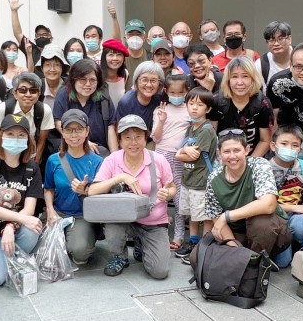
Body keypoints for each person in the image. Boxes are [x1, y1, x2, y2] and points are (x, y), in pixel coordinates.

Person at [88, 115, 176, 279]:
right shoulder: (113, 159)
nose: (133, 142)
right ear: (120, 140)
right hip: (122, 219)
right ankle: (119, 256)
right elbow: (92, 190)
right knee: (113, 228)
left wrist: (167, 194)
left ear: (145, 138)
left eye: (138, 137)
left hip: (153, 222)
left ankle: (141, 245)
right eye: (127, 137)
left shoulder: (158, 160)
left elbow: (172, 188)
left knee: (159, 272)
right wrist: (119, 178)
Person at [0, 115, 44, 286]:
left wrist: (10, 226)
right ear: (0, 135)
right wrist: (16, 221)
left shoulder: (32, 168)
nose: (15, 139)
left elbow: (29, 208)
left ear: (28, 139)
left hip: (16, 231)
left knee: (33, 228)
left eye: (21, 135)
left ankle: (10, 257)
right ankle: (7, 259)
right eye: (10, 134)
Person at [203, 129, 292, 261]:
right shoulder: (213, 178)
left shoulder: (259, 165)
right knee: (200, 256)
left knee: (262, 225)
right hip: (238, 231)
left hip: (270, 229)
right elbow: (215, 216)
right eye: (226, 151)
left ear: (246, 150)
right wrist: (233, 247)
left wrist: (226, 216)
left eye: (237, 150)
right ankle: (245, 259)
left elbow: (268, 204)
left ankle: (256, 264)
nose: (232, 156)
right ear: (219, 153)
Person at [43, 110, 105, 265]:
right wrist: (50, 209)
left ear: (87, 131)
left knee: (80, 252)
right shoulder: (53, 160)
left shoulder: (97, 161)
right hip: (59, 213)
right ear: (62, 132)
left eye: (79, 129)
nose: (74, 135)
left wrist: (86, 190)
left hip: (82, 216)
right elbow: (49, 188)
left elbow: (102, 194)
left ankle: (83, 236)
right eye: (69, 130)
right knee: (40, 247)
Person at [174, 87, 218, 261]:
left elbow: (192, 155)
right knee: (192, 213)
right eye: (191, 103)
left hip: (201, 180)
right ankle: (193, 242)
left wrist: (180, 154)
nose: (194, 107)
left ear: (208, 109)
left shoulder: (206, 130)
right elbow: (184, 150)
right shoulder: (191, 127)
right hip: (188, 178)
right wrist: (184, 151)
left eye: (200, 105)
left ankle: (204, 246)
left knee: (204, 215)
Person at [152, 71, 190, 250]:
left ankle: (179, 234)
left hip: (180, 157)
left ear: (187, 91)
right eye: (172, 92)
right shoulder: (160, 110)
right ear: (166, 91)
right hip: (161, 155)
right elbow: (156, 138)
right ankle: (158, 231)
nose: (176, 96)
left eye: (180, 92)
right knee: (159, 193)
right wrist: (161, 121)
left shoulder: (190, 109)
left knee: (178, 196)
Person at [268, 125, 303, 263]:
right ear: (273, 146)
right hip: (274, 217)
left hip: (298, 215)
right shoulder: (265, 168)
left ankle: (298, 243)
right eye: (284, 143)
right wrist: (294, 207)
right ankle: (284, 243)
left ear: (300, 148)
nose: (289, 148)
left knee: (302, 227)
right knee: (283, 262)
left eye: (295, 145)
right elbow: (262, 204)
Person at [0, 71, 56, 164]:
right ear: (15, 93)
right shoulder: (3, 109)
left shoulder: (44, 110)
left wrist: (35, 163)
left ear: (39, 94)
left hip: (30, 155)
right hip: (5, 155)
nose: (28, 95)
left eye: (33, 91)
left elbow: (41, 141)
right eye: (23, 90)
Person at [52, 58, 117, 153]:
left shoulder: (104, 97)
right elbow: (58, 122)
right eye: (83, 80)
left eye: (92, 80)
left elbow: (110, 128)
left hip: (99, 151)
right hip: (72, 148)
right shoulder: (64, 94)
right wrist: (84, 142)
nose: (88, 84)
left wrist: (114, 156)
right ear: (74, 79)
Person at [212, 57, 271, 158]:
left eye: (245, 76)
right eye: (234, 76)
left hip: (252, 157)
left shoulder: (263, 104)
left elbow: (265, 140)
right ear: (228, 80)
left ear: (253, 79)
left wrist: (249, 163)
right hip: (223, 157)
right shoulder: (216, 101)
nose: (240, 82)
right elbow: (212, 138)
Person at [114, 61, 165, 132]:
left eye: (153, 80)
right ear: (136, 81)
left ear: (159, 83)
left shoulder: (160, 99)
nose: (149, 85)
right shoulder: (126, 102)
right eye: (144, 80)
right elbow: (119, 131)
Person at [8, 0, 52, 65]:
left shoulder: (57, 52)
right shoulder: (31, 49)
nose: (41, 37)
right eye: (38, 35)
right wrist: (14, 11)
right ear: (35, 38)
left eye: (44, 34)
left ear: (51, 37)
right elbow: (18, 33)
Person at [36, 42, 69, 107]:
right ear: (42, 68)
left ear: (62, 68)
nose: (52, 69)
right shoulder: (37, 87)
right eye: (47, 65)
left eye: (57, 65)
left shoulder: (70, 86)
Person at [101, 38, 130, 105]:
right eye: (111, 55)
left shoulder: (125, 74)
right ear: (104, 57)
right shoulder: (98, 76)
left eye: (119, 55)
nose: (115, 58)